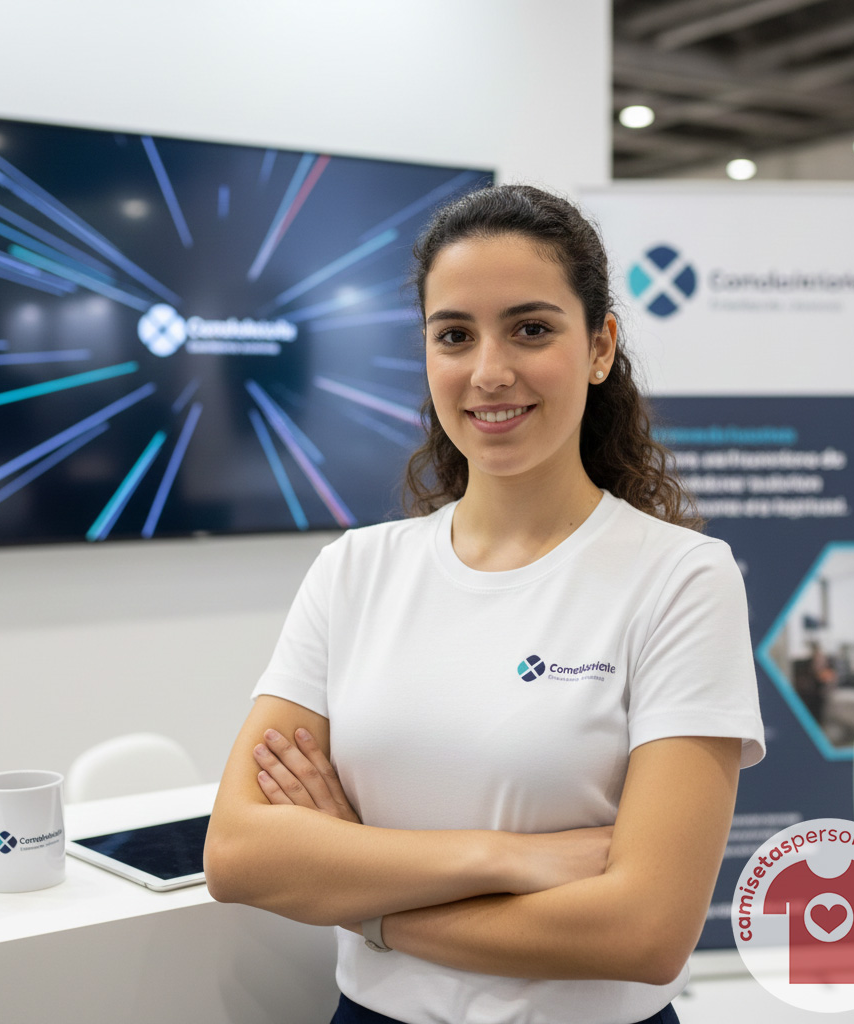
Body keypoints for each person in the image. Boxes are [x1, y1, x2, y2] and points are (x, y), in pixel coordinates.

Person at [205, 184, 765, 1024]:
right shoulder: (354, 570)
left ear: (600, 346)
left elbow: (646, 932)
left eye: (531, 329)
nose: (489, 371)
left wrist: (363, 901)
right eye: (455, 335)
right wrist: (509, 858)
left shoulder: (681, 578)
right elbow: (238, 853)